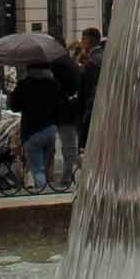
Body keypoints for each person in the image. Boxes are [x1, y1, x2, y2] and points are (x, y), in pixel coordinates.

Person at [9, 63, 63, 192]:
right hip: (50, 130)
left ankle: (44, 198)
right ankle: (47, 194)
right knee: (43, 167)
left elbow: (14, 107)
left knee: (37, 170)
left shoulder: (23, 84)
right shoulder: (53, 84)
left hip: (32, 132)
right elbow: (60, 107)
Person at [49, 47, 84, 187]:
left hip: (64, 113)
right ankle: (72, 174)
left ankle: (68, 177)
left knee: (68, 147)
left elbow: (56, 89)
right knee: (69, 146)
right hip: (73, 111)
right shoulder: (72, 64)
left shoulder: (57, 66)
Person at [78, 27, 104, 150]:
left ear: (88, 41)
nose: (81, 42)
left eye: (83, 39)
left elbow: (88, 90)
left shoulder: (92, 61)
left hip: (93, 109)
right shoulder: (104, 55)